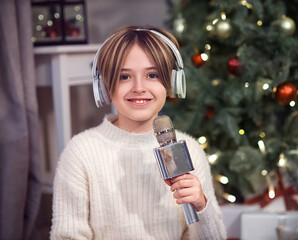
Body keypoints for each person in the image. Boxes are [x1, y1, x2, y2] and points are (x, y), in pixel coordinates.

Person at [50, 25, 226, 240]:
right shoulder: (81, 152)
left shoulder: (190, 149)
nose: (139, 87)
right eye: (125, 77)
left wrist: (201, 206)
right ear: (105, 86)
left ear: (172, 82)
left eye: (152, 75)